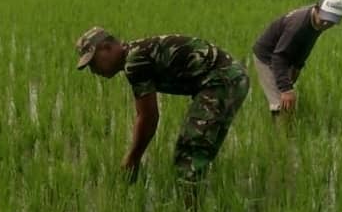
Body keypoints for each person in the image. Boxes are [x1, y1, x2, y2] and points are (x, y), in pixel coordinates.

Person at [75, 28, 249, 188]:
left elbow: (148, 117)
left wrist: (132, 159)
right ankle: (203, 206)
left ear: (107, 47)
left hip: (222, 81)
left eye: (93, 63)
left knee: (189, 155)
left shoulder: (135, 61)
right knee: (200, 151)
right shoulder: (136, 52)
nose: (94, 71)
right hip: (231, 78)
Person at [252, 0, 342, 116]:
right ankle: (282, 135)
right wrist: (286, 89)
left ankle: (289, 127)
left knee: (288, 101)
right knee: (281, 104)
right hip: (267, 55)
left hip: (286, 54)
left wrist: (297, 67)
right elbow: (278, 57)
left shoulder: (318, 21)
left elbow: (305, 45)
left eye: (331, 22)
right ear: (317, 9)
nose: (325, 24)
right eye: (324, 19)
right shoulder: (298, 25)